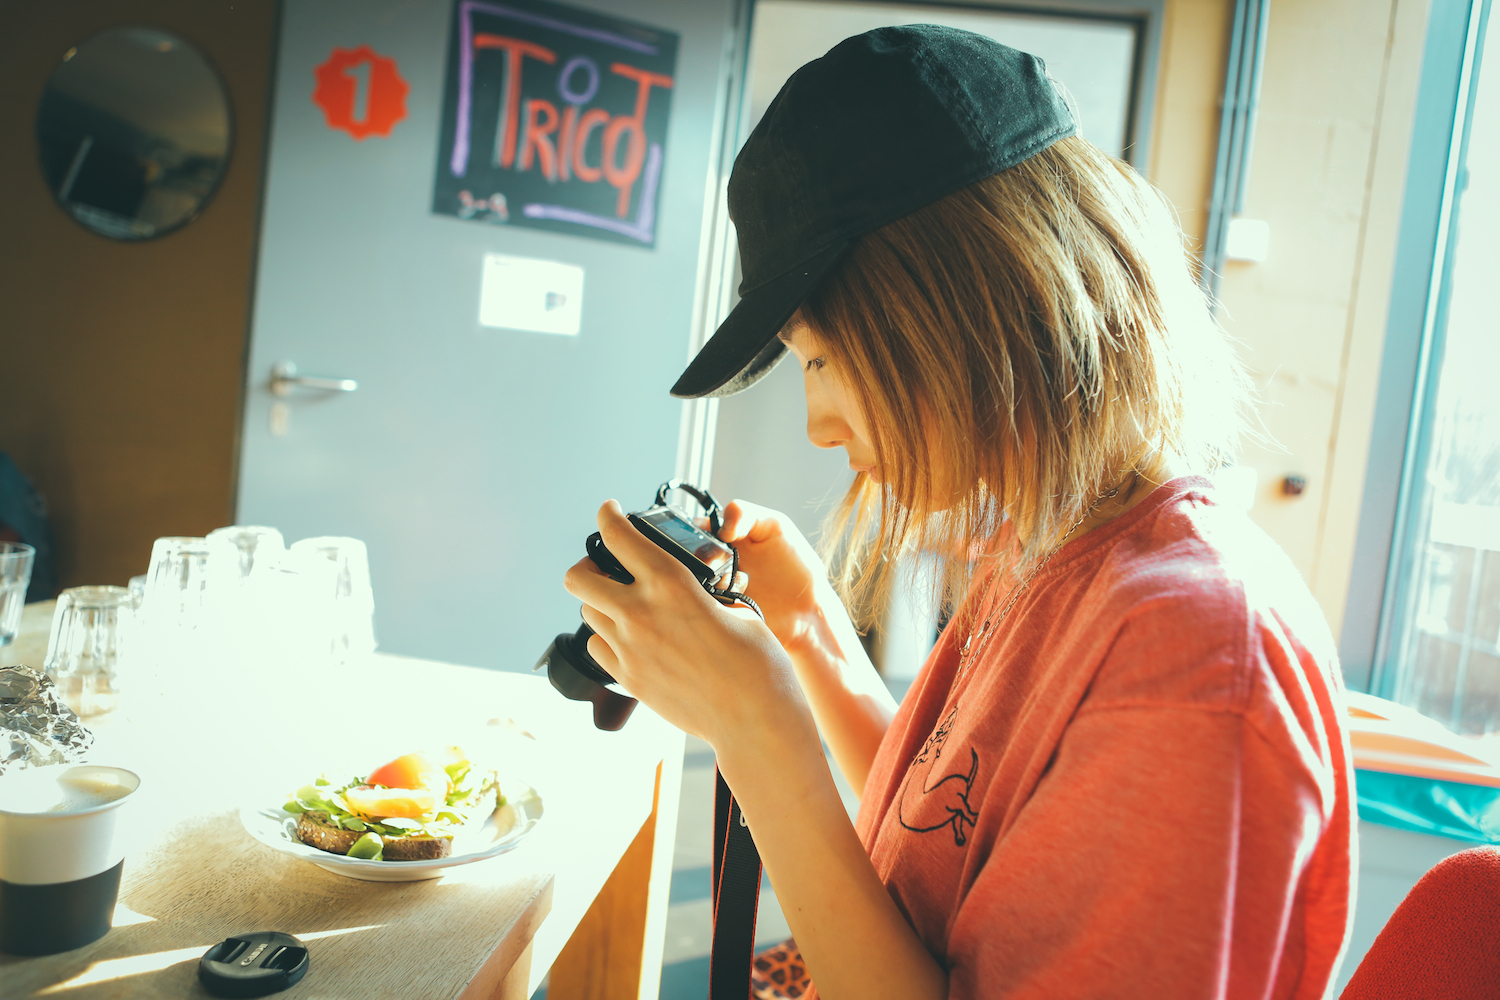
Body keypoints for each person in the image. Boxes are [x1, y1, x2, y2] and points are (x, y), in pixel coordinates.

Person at [563, 26, 1354, 1000]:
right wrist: (810, 633)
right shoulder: (1054, 542)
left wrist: (756, 726)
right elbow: (941, 838)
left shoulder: (1192, 663)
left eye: (820, 358)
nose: (816, 424)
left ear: (956, 309)